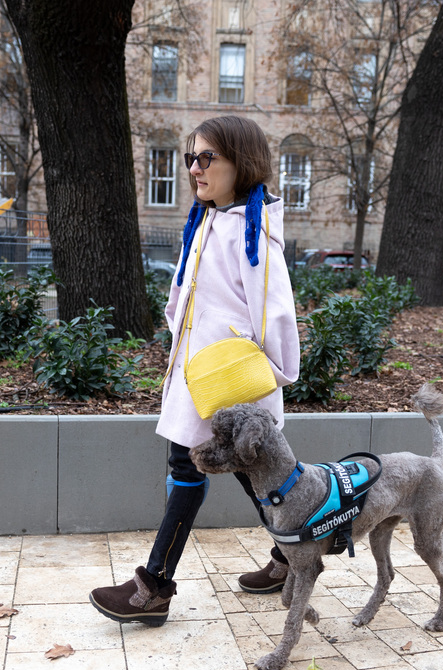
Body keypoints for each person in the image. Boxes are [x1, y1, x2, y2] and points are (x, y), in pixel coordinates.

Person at [89, 116, 301, 627]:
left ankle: (154, 587)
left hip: (233, 385)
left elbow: (276, 316)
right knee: (250, 479)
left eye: (207, 158)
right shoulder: (206, 221)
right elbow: (183, 298)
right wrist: (188, 331)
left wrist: (267, 379)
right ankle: (291, 558)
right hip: (196, 377)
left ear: (240, 164)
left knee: (194, 472)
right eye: (191, 157)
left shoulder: (252, 233)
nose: (194, 168)